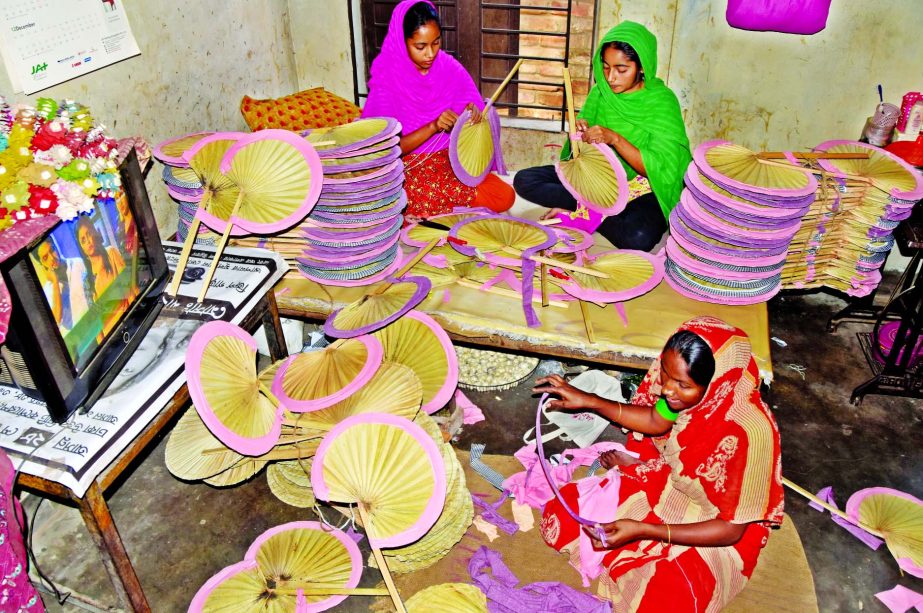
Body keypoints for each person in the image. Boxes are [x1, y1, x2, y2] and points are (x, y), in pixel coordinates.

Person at [532, 316, 783, 612]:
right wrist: (588, 400)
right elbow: (655, 420)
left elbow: (731, 530)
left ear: (716, 384)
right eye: (665, 373)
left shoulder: (750, 433)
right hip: (667, 485)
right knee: (560, 517)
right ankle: (631, 545)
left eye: (682, 384)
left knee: (661, 601)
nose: (666, 390)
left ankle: (639, 552)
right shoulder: (684, 395)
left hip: (717, 529)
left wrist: (645, 530)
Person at [514, 21, 692, 252]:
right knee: (524, 180)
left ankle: (588, 213)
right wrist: (580, 132)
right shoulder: (601, 92)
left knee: (638, 238)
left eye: (621, 69)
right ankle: (595, 207)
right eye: (606, 67)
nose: (610, 77)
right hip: (597, 179)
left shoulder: (661, 101)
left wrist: (615, 138)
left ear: (642, 67)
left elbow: (658, 169)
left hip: (641, 187)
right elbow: (579, 151)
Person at [361, 0, 515, 219]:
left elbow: (473, 116)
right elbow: (385, 149)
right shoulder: (388, 80)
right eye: (420, 47)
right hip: (409, 168)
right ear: (402, 42)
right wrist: (433, 126)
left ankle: (433, 210)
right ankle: (427, 208)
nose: (430, 54)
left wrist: (472, 117)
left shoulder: (448, 67)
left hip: (450, 162)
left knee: (504, 195)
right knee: (398, 198)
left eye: (436, 42)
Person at [35, 239, 90, 332]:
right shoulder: (48, 291)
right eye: (45, 258)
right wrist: (55, 282)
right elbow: (56, 320)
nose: (52, 258)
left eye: (52, 250)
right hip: (81, 337)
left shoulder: (77, 263)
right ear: (42, 265)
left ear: (56, 245)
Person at [76, 216, 125, 301]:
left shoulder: (111, 253)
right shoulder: (87, 279)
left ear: (94, 233)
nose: (88, 241)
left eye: (89, 234)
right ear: (81, 247)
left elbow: (130, 287)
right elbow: (96, 312)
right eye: (83, 240)